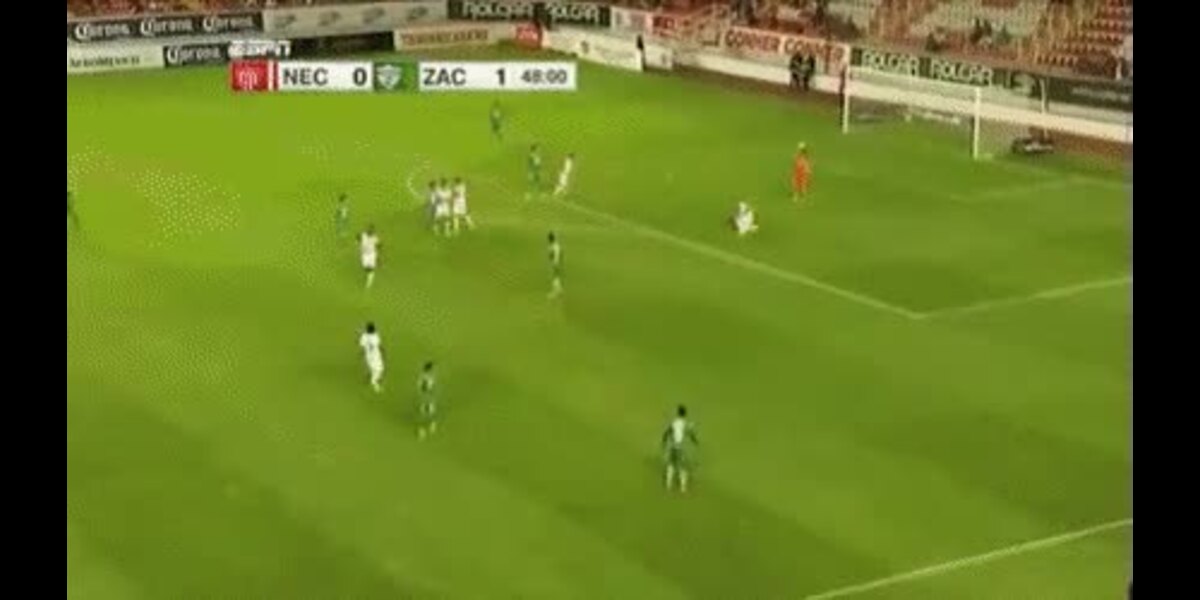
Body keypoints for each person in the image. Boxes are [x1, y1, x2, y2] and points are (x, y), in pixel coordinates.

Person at [662, 405, 700, 493]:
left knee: (671, 464)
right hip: (680, 448)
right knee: (682, 466)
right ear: (685, 414)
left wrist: (664, 441)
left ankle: (668, 484)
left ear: (678, 413)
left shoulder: (674, 422)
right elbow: (691, 434)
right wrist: (695, 441)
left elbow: (667, 432)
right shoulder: (685, 424)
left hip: (672, 447)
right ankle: (683, 487)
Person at [359, 322, 384, 393]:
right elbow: (379, 345)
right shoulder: (375, 336)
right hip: (376, 355)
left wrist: (362, 354)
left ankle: (371, 375)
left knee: (372, 367)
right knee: (380, 369)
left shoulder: (364, 336)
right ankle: (374, 383)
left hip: (368, 355)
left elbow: (362, 346)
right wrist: (383, 351)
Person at [417, 361, 438, 439]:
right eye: (432, 368)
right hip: (425, 397)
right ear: (429, 369)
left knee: (429, 411)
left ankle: (431, 424)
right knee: (425, 411)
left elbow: (431, 386)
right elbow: (422, 387)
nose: (433, 369)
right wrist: (427, 389)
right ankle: (422, 428)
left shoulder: (429, 376)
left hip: (428, 396)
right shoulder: (424, 377)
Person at [359, 225, 380, 289]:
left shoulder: (375, 238)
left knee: (370, 268)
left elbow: (378, 246)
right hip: (364, 254)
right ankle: (369, 274)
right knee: (365, 267)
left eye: (372, 230)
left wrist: (378, 258)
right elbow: (358, 238)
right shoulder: (363, 235)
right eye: (369, 230)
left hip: (371, 254)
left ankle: (369, 281)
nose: (370, 231)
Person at [547, 231, 563, 299]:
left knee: (554, 277)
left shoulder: (553, 246)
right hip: (556, 262)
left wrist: (555, 263)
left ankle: (555, 292)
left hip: (555, 263)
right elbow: (561, 254)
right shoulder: (556, 245)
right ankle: (559, 290)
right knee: (556, 277)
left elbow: (552, 255)